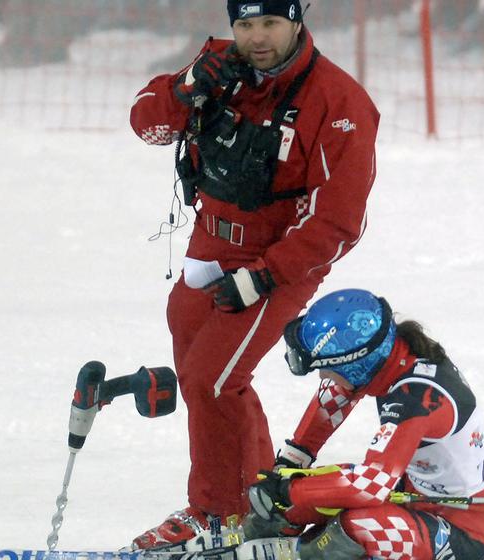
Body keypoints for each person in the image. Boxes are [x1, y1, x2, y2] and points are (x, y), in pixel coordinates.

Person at [128, 0, 380, 550]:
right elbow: (146, 126)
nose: (256, 37)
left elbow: (339, 221)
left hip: (279, 258)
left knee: (211, 379)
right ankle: (263, 507)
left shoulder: (340, 102)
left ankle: (215, 516)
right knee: (212, 382)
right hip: (207, 244)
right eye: (244, 24)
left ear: (297, 21)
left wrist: (265, 277)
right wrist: (185, 87)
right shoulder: (217, 67)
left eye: (270, 23)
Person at [242, 288, 484, 560]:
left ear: (357, 365)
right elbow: (336, 397)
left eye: (327, 369)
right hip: (413, 497)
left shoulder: (416, 400)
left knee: (356, 526)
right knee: (318, 493)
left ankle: (297, 554)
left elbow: (371, 485)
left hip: (459, 536)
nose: (323, 376)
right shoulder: (393, 356)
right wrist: (292, 464)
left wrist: (289, 489)